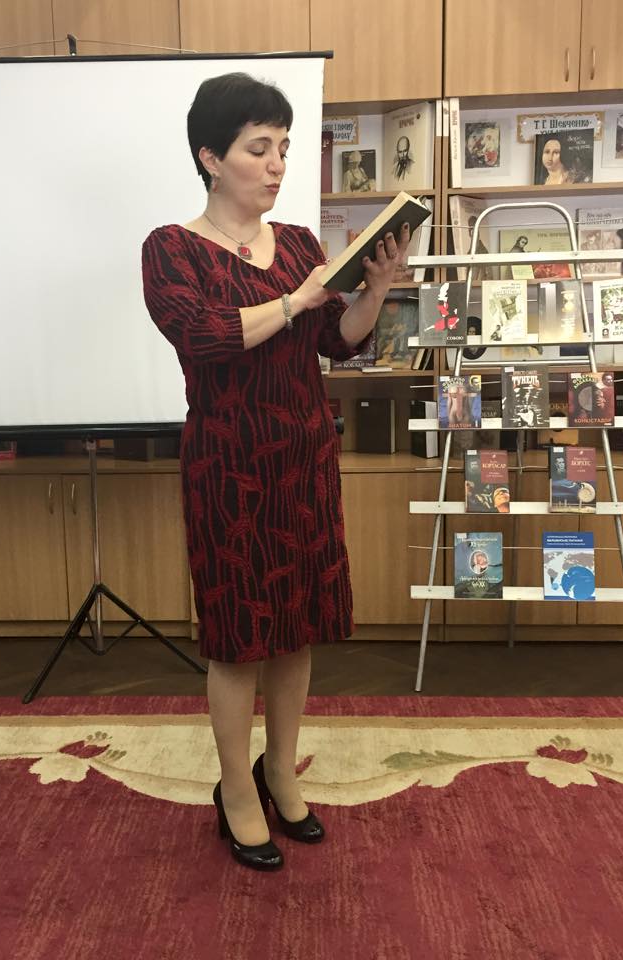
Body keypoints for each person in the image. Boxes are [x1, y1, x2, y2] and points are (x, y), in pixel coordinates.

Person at [141, 72, 409, 872]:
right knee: (238, 640)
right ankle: (235, 790)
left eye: (284, 148)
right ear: (210, 157)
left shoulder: (299, 245)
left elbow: (338, 342)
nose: (277, 164)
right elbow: (206, 335)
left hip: (304, 460)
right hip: (228, 468)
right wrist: (298, 300)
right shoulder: (171, 248)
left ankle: (280, 772)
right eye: (259, 148)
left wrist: (374, 292)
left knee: (298, 627)